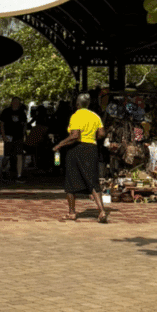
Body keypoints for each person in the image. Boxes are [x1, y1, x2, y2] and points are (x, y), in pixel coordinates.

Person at [53, 92, 108, 223]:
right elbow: (101, 134)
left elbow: (74, 136)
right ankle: (102, 211)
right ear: (88, 104)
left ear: (77, 104)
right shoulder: (95, 116)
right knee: (93, 180)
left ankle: (72, 212)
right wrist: (91, 136)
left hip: (77, 150)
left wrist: (59, 145)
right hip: (92, 149)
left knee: (71, 182)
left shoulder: (76, 116)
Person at [0, 96, 28, 182]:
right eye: (14, 101)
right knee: (7, 156)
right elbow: (2, 124)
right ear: (11, 102)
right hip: (8, 137)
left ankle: (19, 175)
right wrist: (3, 136)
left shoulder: (22, 113)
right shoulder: (6, 111)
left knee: (19, 155)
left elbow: (24, 124)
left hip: (18, 137)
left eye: (18, 102)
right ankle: (3, 170)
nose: (16, 103)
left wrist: (24, 135)